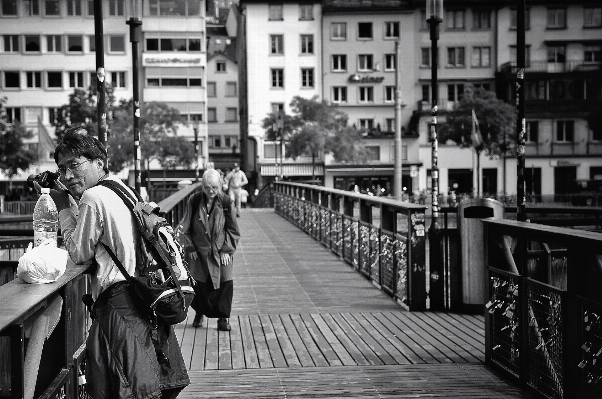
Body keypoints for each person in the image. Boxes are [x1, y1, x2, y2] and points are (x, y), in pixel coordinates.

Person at [39, 128, 190, 399]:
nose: (68, 175)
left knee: (129, 386)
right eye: (62, 169)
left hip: (119, 304)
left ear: (98, 162)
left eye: (74, 165)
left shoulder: (93, 197)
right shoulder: (120, 187)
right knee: (153, 382)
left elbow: (78, 252)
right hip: (145, 295)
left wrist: (62, 204)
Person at [177, 169, 240, 331]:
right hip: (198, 251)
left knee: (225, 284)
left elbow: (233, 229)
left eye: (214, 187)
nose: (211, 191)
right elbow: (185, 226)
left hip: (221, 252)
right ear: (202, 187)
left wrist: (227, 249)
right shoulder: (195, 200)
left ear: (220, 186)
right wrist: (189, 246)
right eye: (207, 187)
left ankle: (223, 318)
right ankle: (200, 313)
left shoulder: (226, 202)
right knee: (199, 286)